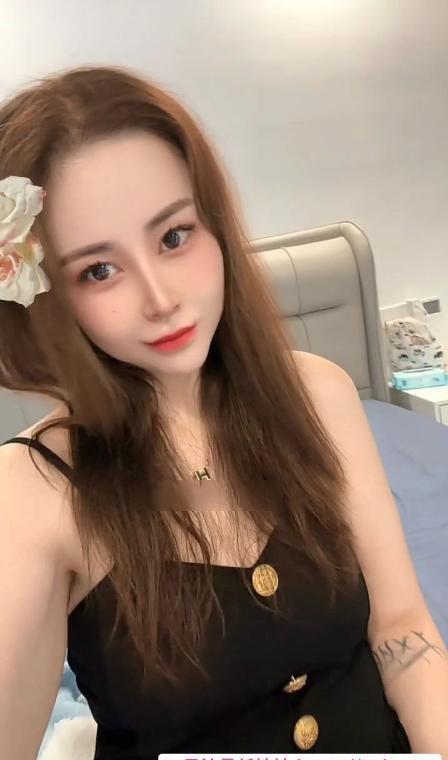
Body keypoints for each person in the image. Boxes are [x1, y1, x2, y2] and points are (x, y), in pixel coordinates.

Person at [0, 64, 447, 760]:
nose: (162, 298)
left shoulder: (320, 397)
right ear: (46, 295)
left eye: (174, 236)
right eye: (98, 270)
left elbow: (401, 629)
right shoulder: (36, 491)